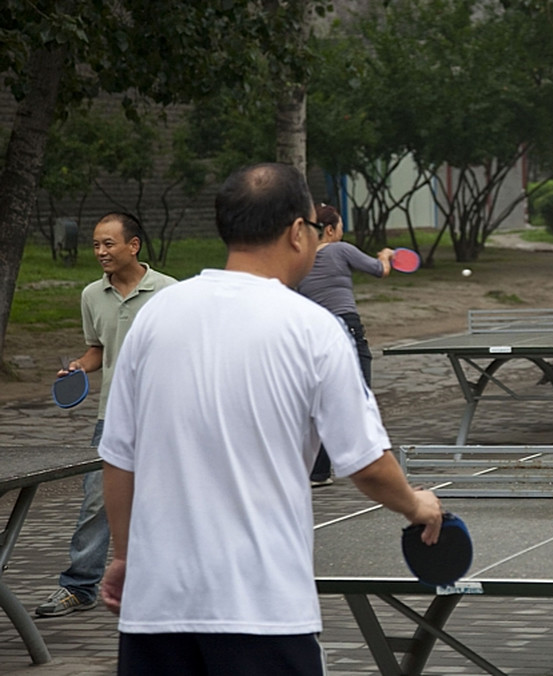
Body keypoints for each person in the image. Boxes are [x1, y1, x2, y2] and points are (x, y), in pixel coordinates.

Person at [97, 163, 443, 675]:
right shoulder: (313, 328)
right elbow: (366, 464)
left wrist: (124, 556)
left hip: (156, 609)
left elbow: (119, 458)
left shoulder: (155, 315)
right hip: (262, 610)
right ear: (297, 231)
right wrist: (417, 505)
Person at [35, 213, 177, 618]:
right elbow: (98, 347)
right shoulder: (91, 295)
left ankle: (168, 580)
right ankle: (79, 586)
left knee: (170, 499)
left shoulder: (170, 292)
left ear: (133, 245)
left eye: (108, 244)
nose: (100, 252)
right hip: (113, 415)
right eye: (96, 244)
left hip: (165, 417)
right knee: (97, 501)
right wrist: (80, 365)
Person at [296, 203, 394, 486]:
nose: (341, 233)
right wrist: (385, 255)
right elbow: (379, 270)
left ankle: (318, 471)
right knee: (360, 396)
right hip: (346, 327)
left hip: (314, 332)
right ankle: (374, 465)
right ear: (329, 230)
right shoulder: (340, 249)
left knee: (321, 398)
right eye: (340, 227)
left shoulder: (300, 259)